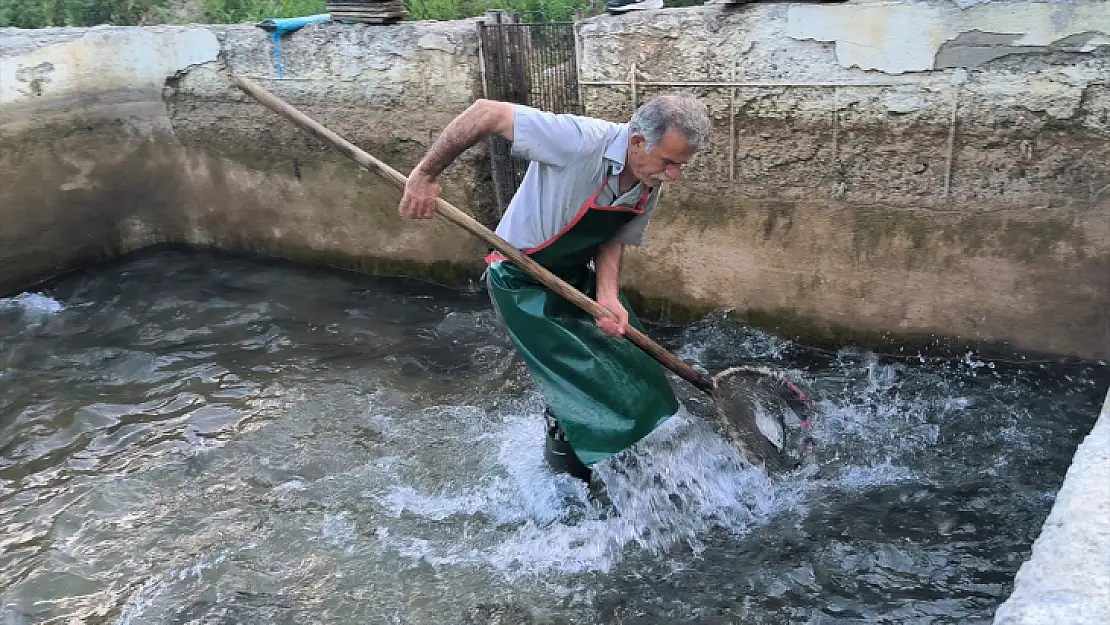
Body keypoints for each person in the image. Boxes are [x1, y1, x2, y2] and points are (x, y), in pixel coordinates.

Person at [398, 93, 712, 482]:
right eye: (669, 162)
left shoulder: (649, 179)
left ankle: (624, 466)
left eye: (681, 166)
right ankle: (570, 474)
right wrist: (426, 175)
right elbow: (486, 113)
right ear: (636, 142)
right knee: (580, 380)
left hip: (576, 273)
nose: (673, 175)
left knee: (639, 372)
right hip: (520, 277)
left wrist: (608, 295)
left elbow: (613, 234)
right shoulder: (579, 140)